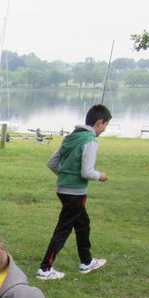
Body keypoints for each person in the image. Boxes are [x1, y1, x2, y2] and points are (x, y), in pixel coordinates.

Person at [37, 104, 112, 280]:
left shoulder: (70, 137)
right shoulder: (90, 141)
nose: (104, 130)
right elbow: (86, 172)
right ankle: (45, 269)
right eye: (106, 125)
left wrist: (64, 176)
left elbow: (52, 163)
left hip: (63, 189)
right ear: (100, 122)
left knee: (83, 224)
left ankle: (86, 262)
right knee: (64, 228)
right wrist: (100, 176)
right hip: (75, 193)